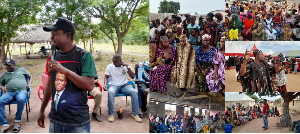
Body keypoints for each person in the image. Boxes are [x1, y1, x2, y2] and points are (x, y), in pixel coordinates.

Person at [38, 17, 98, 133]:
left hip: (78, 122)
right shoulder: (52, 57)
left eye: (56, 34)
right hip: (55, 120)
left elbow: (90, 86)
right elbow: (49, 85)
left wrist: (65, 71)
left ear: (68, 35)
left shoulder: (83, 56)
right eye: (52, 34)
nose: (52, 37)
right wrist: (42, 110)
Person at [104, 54, 142, 123]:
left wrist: (128, 67)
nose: (114, 63)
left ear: (120, 61)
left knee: (134, 92)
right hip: (114, 85)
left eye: (116, 62)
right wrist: (105, 85)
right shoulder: (110, 67)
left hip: (124, 86)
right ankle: (111, 114)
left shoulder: (125, 67)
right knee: (110, 92)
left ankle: (135, 114)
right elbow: (106, 77)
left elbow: (133, 76)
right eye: (113, 61)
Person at [0, 59, 32, 133]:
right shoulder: (4, 74)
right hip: (10, 93)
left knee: (21, 99)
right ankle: (4, 124)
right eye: (6, 65)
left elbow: (30, 76)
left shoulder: (21, 70)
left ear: (14, 65)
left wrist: (29, 84)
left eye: (9, 65)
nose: (7, 67)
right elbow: (1, 84)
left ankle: (17, 121)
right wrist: (2, 87)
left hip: (21, 91)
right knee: (0, 101)